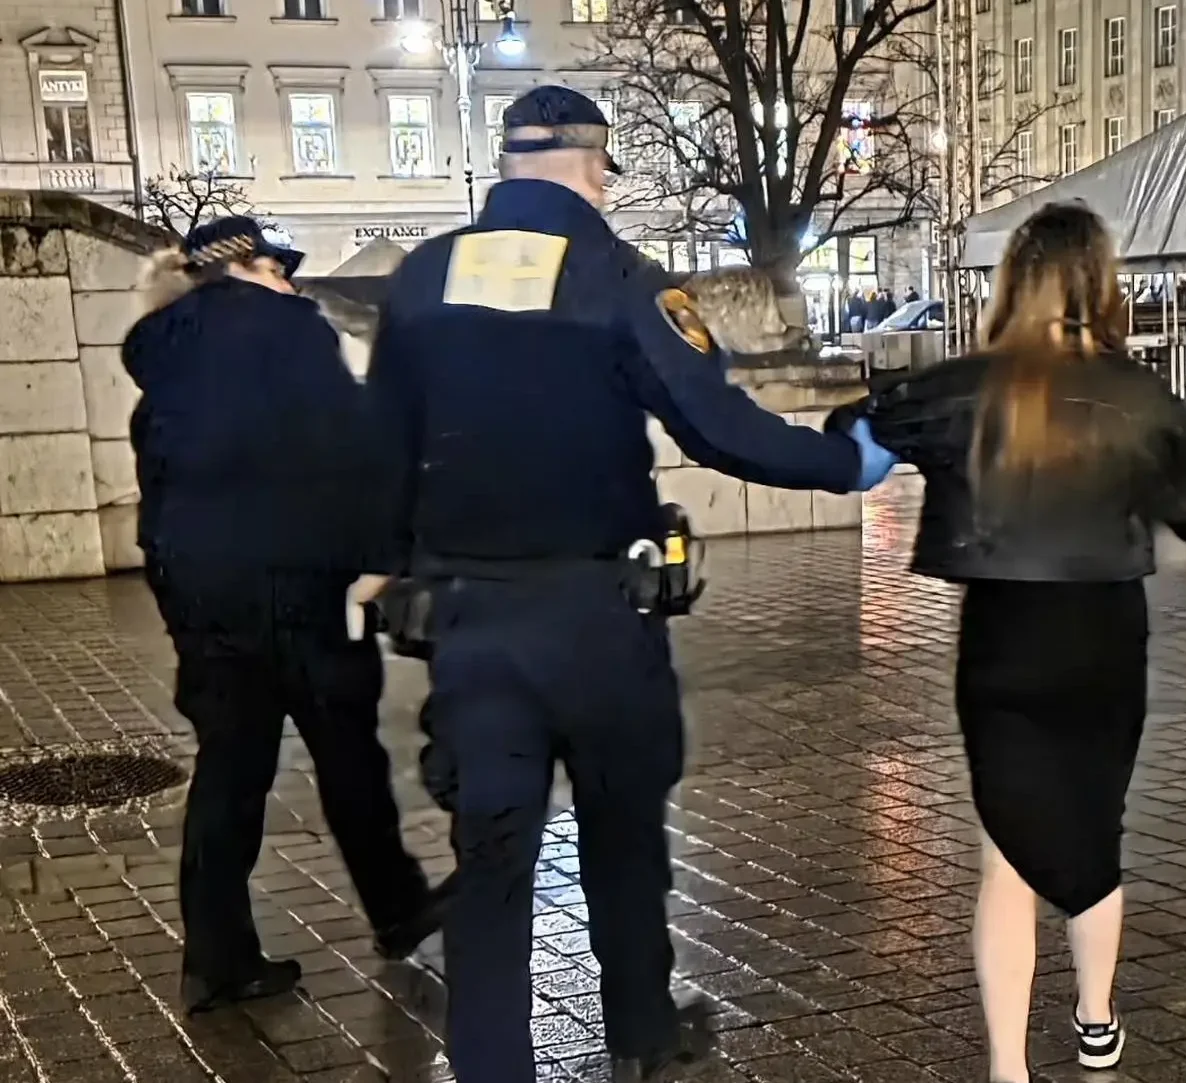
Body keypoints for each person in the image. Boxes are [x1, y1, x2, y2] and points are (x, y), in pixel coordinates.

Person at [356, 86, 896, 1083]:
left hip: (472, 625)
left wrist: (392, 563)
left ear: (508, 161)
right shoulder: (617, 277)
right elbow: (718, 428)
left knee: (492, 863)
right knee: (622, 835)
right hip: (598, 623)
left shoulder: (424, 279)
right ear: (589, 165)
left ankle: (491, 1068)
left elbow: (381, 446)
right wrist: (846, 462)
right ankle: (643, 1032)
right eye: (605, 171)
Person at [841, 202, 1186, 1080]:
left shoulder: (962, 386)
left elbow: (853, 439)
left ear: (1013, 282)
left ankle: (1008, 1065)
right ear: (1102, 282)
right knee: (1097, 822)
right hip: (1103, 635)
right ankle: (1096, 1017)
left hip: (1003, 640)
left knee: (1006, 847)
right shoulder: (1137, 392)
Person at [122, 217, 446, 1014]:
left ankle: (217, 960)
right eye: (278, 267)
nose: (290, 282)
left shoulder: (161, 357)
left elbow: (159, 491)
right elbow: (353, 445)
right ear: (243, 268)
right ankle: (398, 909)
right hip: (301, 580)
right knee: (348, 751)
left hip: (202, 595)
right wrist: (386, 555)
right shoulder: (293, 330)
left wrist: (178, 595)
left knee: (229, 771)